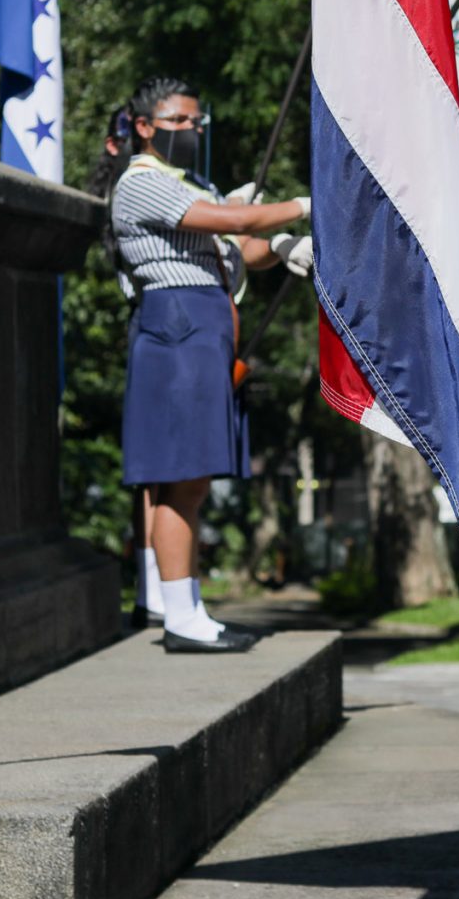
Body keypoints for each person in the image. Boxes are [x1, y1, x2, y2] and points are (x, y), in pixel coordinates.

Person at [88, 77, 311, 652]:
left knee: (192, 482)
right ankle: (180, 616)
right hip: (178, 328)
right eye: (179, 122)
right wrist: (311, 205)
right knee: (179, 480)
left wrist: (285, 244)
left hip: (205, 326)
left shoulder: (189, 185)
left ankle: (189, 609)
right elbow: (233, 224)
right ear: (144, 127)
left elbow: (240, 247)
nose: (193, 130)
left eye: (195, 121)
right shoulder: (143, 185)